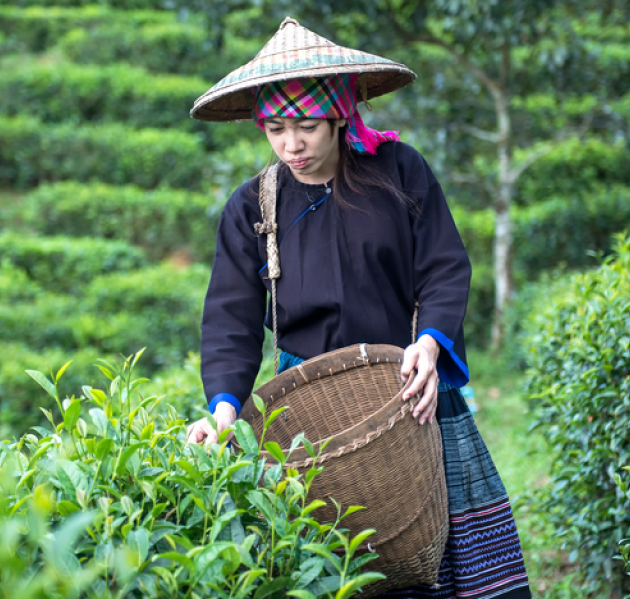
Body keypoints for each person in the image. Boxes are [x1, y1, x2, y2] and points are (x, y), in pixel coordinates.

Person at [186, 18, 532, 599]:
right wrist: (223, 410)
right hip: (307, 403)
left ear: (340, 115)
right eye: (275, 129)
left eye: (306, 127)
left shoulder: (398, 171)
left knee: (445, 556)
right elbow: (231, 319)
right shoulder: (253, 207)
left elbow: (444, 267)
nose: (291, 145)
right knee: (328, 559)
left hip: (407, 385)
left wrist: (430, 344)